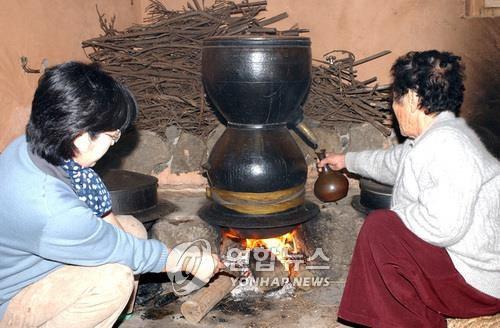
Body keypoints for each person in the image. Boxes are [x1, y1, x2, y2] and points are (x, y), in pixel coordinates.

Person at [0, 62, 220, 328]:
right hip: (10, 299)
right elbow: (121, 250)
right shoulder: (50, 208)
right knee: (113, 281)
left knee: (132, 229)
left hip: (29, 260)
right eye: (112, 136)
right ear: (81, 138)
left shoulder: (29, 146)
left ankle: (117, 317)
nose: (114, 144)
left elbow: (114, 233)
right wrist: (189, 260)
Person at [319, 50, 500, 327]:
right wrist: (346, 161)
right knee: (388, 230)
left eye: (395, 98)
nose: (393, 107)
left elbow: (444, 225)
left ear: (414, 99)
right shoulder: (435, 137)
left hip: (478, 286)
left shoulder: (449, 147)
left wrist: (397, 219)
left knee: (381, 229)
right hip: (465, 271)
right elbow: (394, 162)